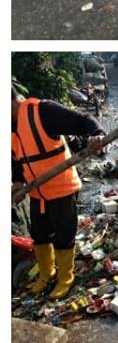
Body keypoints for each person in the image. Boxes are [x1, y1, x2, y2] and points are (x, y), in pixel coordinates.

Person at [12, 86, 105, 299]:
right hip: (37, 192)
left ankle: (65, 278)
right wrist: (18, 182)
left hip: (61, 187)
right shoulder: (10, 125)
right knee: (39, 234)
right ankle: (46, 273)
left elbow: (84, 120)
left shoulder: (43, 111)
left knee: (64, 235)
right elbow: (16, 158)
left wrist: (97, 134)